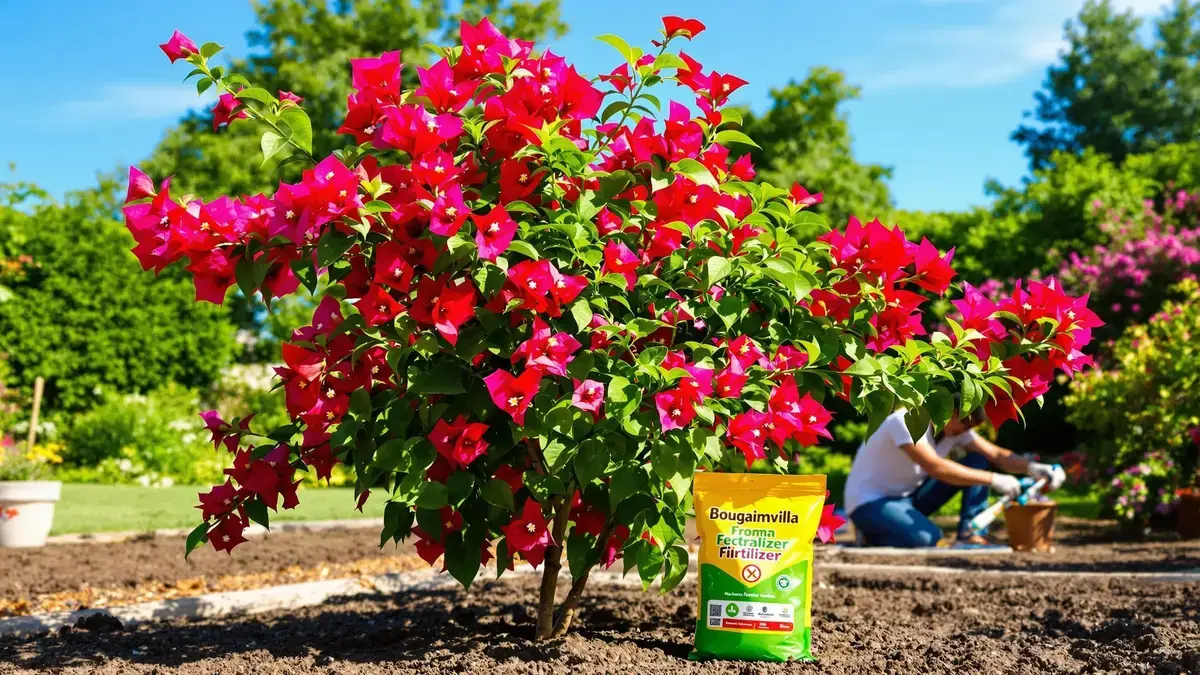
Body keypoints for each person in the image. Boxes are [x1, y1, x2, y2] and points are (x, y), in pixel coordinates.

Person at [844, 401, 1066, 547]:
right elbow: (935, 467)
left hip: (907, 499)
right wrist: (994, 479)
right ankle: (871, 534)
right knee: (927, 538)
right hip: (870, 502)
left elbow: (997, 455)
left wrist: (1033, 468)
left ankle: (971, 533)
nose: (967, 430)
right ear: (949, 410)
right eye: (965, 421)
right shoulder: (904, 421)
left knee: (979, 460)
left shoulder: (954, 430)